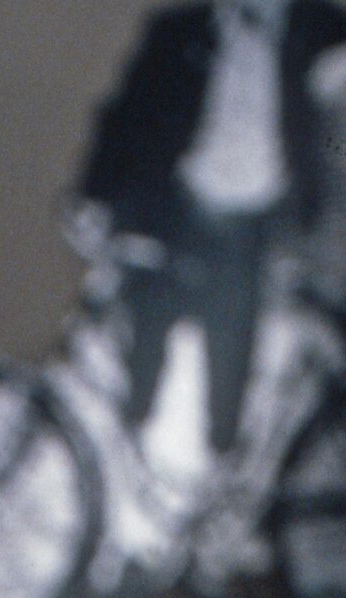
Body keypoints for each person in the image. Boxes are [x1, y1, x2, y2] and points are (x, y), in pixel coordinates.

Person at [76, 0, 346, 461]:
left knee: (232, 347)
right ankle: (131, 451)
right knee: (147, 333)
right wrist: (94, 193)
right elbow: (125, 116)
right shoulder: (178, 30)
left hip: (254, 218)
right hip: (180, 205)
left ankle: (221, 462)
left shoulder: (313, 26)